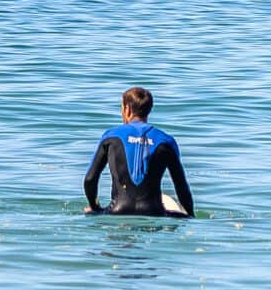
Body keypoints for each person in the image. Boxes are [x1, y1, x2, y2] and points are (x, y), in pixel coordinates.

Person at [83, 85, 194, 217]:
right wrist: (190, 215)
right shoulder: (166, 141)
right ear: (149, 110)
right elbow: (181, 186)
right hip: (154, 212)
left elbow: (90, 180)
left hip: (117, 212)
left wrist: (95, 207)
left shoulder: (111, 137)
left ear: (127, 109)